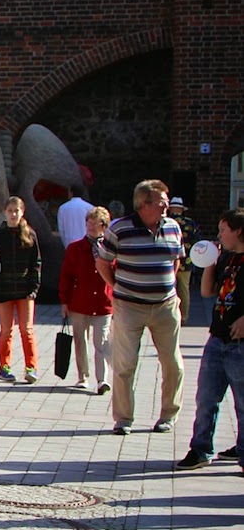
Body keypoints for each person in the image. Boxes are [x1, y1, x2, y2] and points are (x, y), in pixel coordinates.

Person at [97, 179, 185, 435]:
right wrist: (119, 289)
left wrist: (166, 288)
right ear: (144, 204)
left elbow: (175, 263)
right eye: (162, 201)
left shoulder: (173, 228)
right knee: (125, 364)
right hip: (129, 307)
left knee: (173, 364)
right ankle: (124, 419)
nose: (167, 204)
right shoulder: (120, 229)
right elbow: (103, 264)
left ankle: (169, 415)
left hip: (165, 307)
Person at [175, 208, 244, 471]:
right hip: (217, 339)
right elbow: (207, 291)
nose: (219, 235)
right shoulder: (226, 259)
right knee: (206, 398)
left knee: (242, 403)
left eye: (223, 230)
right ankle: (201, 448)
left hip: (240, 345)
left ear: (238, 230)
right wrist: (210, 264)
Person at [59, 206, 114, 393]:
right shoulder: (75, 248)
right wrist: (64, 301)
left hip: (103, 302)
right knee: (80, 340)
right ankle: (83, 376)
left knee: (102, 343)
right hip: (80, 301)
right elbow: (66, 276)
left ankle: (102, 379)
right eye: (88, 223)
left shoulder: (110, 248)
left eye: (95, 223)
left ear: (104, 225)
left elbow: (116, 274)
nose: (90, 226)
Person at [0, 196, 42, 383]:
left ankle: (31, 366)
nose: (13, 214)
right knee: (6, 329)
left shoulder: (29, 234)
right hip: (5, 289)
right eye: (10, 211)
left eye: (16, 210)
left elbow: (36, 263)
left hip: (25, 290)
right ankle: (4, 366)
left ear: (22, 212)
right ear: (5, 212)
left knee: (27, 329)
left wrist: (34, 287)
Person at [170, 196, 199, 324]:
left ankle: (171, 315)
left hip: (169, 261)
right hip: (186, 261)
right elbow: (197, 241)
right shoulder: (190, 223)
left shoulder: (166, 221)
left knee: (170, 290)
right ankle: (184, 316)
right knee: (184, 289)